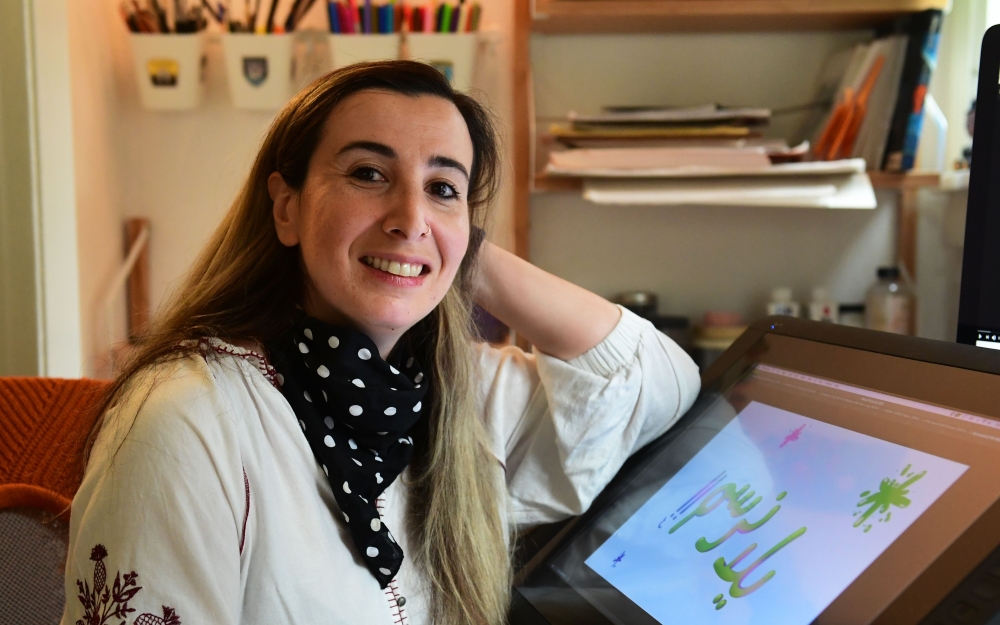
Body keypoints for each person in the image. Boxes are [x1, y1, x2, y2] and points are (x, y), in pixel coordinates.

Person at [61, 61, 699, 625]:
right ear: (286, 209)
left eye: (443, 187)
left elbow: (659, 385)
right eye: (369, 173)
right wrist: (430, 237)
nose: (409, 215)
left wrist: (451, 252)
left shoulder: (461, 392)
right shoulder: (188, 415)